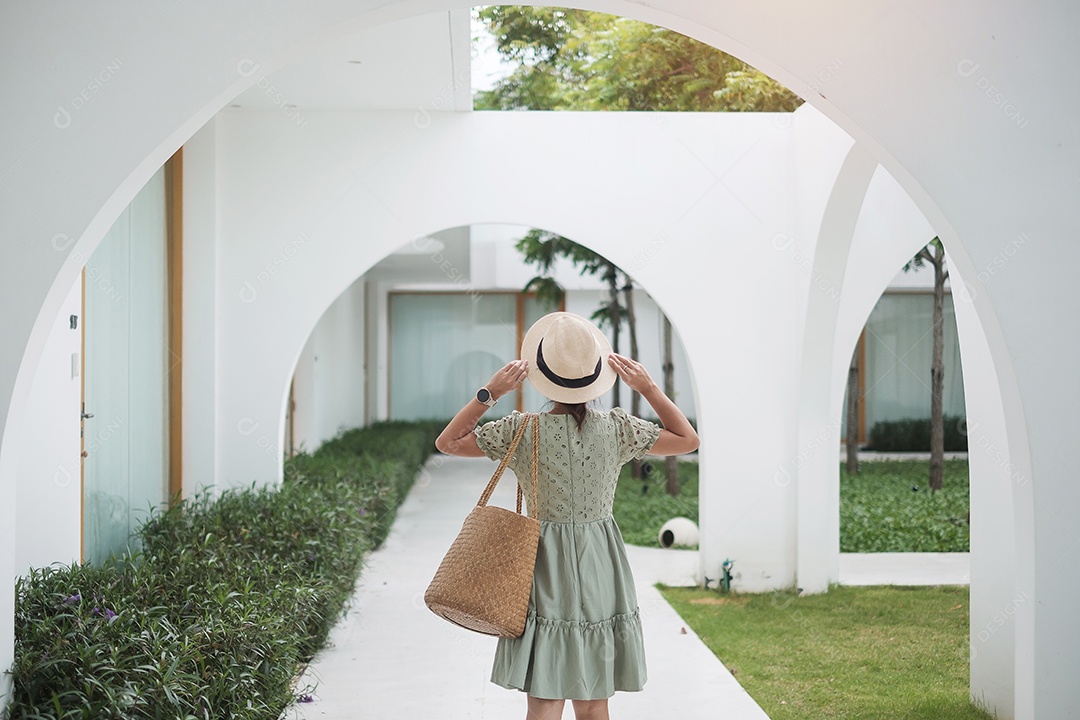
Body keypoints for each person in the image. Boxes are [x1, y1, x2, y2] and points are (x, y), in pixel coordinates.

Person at [435, 312, 699, 720]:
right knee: (594, 702)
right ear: (596, 374)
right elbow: (687, 439)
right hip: (601, 563)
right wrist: (647, 388)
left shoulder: (522, 430)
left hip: (542, 565)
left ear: (541, 372)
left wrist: (490, 392)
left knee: (544, 699)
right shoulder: (617, 429)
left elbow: (448, 443)